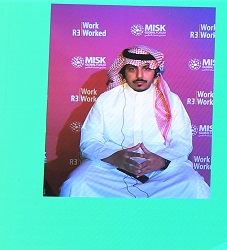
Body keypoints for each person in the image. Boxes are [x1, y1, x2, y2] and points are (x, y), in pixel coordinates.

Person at [60, 46, 209, 198]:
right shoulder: (106, 100)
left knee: (196, 187)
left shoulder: (172, 101)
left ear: (156, 71)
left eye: (146, 69)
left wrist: (161, 161)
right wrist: (114, 157)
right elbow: (89, 141)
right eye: (132, 69)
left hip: (160, 172)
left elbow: (182, 142)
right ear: (123, 71)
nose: (139, 75)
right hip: (110, 170)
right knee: (75, 186)